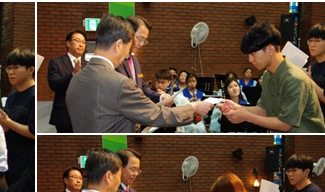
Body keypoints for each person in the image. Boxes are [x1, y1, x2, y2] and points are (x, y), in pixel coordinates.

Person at [66, 14, 212, 133]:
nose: (127, 54)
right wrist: (192, 108)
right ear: (118, 45)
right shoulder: (120, 83)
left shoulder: (75, 79)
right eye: (128, 47)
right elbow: (156, 115)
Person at [219, 22, 325, 132]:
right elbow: (264, 110)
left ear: (270, 50)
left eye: (253, 54)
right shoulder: (267, 75)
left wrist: (246, 116)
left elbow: (285, 124)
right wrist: (236, 107)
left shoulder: (294, 79)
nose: (250, 60)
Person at [0, 48, 35, 186]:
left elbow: (34, 132)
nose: (11, 72)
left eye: (16, 68)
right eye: (9, 68)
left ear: (30, 70)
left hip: (26, 165)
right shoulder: (12, 97)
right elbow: (9, 126)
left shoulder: (34, 96)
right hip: (9, 161)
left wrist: (8, 122)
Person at [116, 16, 168, 103]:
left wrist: (161, 97)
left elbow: (142, 87)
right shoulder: (116, 60)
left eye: (144, 41)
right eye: (140, 39)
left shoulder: (135, 61)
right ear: (128, 34)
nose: (141, 44)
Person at [47, 29, 88, 133]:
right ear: (68, 43)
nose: (81, 45)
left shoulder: (88, 65)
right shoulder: (56, 62)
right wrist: (72, 74)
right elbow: (54, 84)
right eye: (77, 41)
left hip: (85, 114)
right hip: (64, 114)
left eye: (83, 42)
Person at [305, 24, 325, 130]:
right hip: (315, 122)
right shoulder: (313, 66)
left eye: (317, 41)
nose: (312, 45)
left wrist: (308, 81)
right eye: (310, 41)